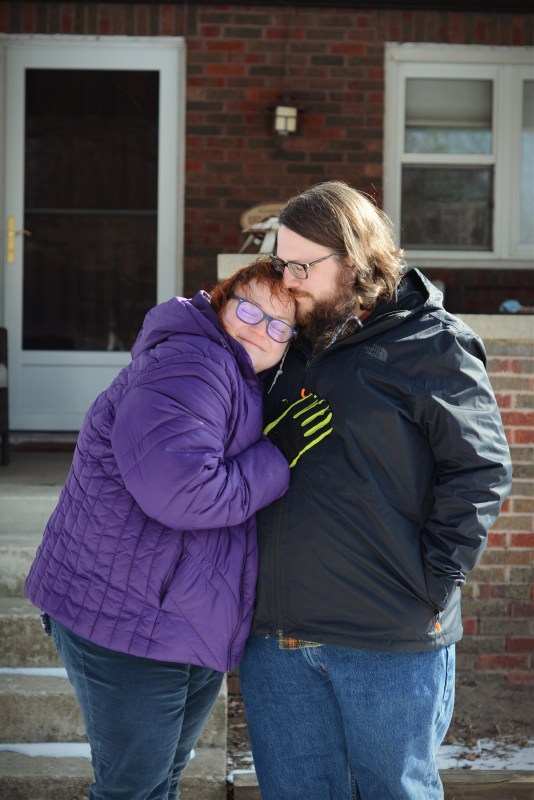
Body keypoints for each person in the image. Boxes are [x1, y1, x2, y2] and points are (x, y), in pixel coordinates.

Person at [239, 181, 513, 800]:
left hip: (386, 638)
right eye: (282, 263)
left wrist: (434, 582)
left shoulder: (432, 344)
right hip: (277, 640)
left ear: (356, 260)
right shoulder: (283, 341)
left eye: (303, 266)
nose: (288, 281)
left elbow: (480, 470)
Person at [24, 258, 329, 800]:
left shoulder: (233, 373)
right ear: (221, 302)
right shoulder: (193, 365)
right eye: (250, 310)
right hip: (126, 617)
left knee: (157, 785)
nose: (260, 330)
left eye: (280, 326)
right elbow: (183, 493)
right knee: (135, 791)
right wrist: (277, 455)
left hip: (174, 618)